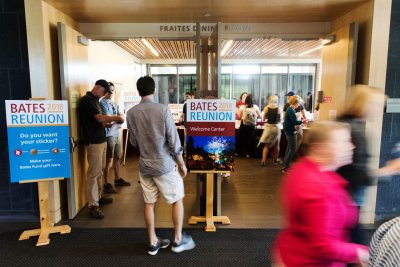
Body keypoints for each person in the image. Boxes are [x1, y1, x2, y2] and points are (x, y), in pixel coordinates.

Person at [273, 121, 369, 267]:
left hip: (290, 254)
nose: (351, 146)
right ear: (321, 148)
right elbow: (324, 246)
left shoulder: (302, 169)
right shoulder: (319, 188)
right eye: (344, 142)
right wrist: (360, 253)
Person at [126, 76, 195, 255]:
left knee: (149, 203)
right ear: (154, 90)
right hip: (165, 165)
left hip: (145, 166)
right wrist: (181, 164)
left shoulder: (131, 112)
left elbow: (133, 141)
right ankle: (178, 240)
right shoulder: (162, 109)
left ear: (139, 91)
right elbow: (173, 140)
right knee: (177, 200)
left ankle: (152, 242)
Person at [77, 79, 125, 219]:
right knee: (94, 173)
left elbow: (96, 122)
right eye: (104, 91)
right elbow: (98, 118)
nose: (105, 95)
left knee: (100, 170)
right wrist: (116, 117)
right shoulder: (87, 100)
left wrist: (108, 125)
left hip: (101, 139)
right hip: (93, 141)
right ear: (97, 87)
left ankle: (98, 196)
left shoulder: (95, 100)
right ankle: (93, 205)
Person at [99, 82, 131, 194]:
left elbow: (121, 116)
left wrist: (118, 117)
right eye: (110, 90)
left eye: (113, 90)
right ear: (105, 91)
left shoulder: (114, 103)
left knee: (117, 157)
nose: (112, 93)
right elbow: (109, 117)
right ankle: (106, 183)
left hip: (116, 133)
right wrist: (118, 117)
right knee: (109, 160)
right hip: (108, 135)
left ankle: (117, 179)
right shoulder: (102, 103)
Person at [282, 95, 306, 173]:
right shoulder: (291, 110)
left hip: (289, 131)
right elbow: (295, 122)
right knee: (292, 149)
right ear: (295, 103)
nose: (299, 106)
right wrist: (302, 121)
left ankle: (286, 165)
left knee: (289, 148)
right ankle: (286, 167)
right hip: (290, 132)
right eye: (298, 104)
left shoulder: (290, 109)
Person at [258, 95, 282, 166]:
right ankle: (276, 160)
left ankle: (263, 160)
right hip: (276, 127)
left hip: (268, 127)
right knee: (277, 145)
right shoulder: (279, 109)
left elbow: (264, 118)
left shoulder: (266, 108)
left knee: (266, 145)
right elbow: (280, 120)